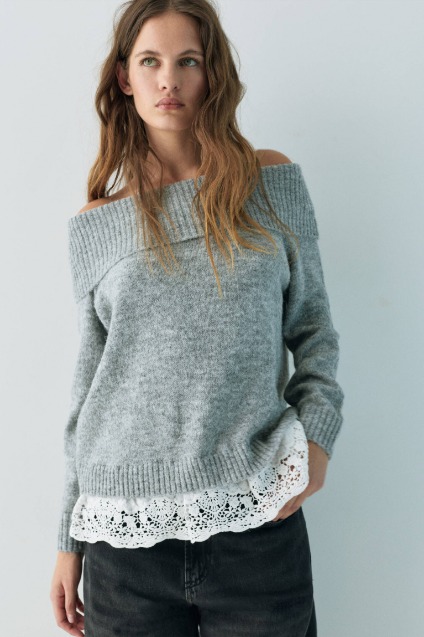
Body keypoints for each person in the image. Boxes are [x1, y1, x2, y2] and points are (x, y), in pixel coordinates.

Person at [49, 0, 344, 635]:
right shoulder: (96, 225)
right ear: (124, 77)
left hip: (257, 526)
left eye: (188, 61)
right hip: (124, 543)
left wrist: (316, 442)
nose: (169, 80)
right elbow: (88, 391)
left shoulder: (269, 182)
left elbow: (314, 330)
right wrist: (68, 540)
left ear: (213, 74)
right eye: (149, 61)